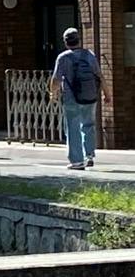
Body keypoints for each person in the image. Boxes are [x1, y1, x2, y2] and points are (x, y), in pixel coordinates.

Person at [50, 26, 108, 170]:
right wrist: (107, 94)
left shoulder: (63, 57)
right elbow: (99, 75)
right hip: (90, 96)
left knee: (72, 127)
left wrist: (53, 93)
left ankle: (77, 161)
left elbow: (56, 79)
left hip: (71, 98)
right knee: (89, 125)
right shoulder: (89, 55)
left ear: (65, 42)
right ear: (79, 40)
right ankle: (90, 156)